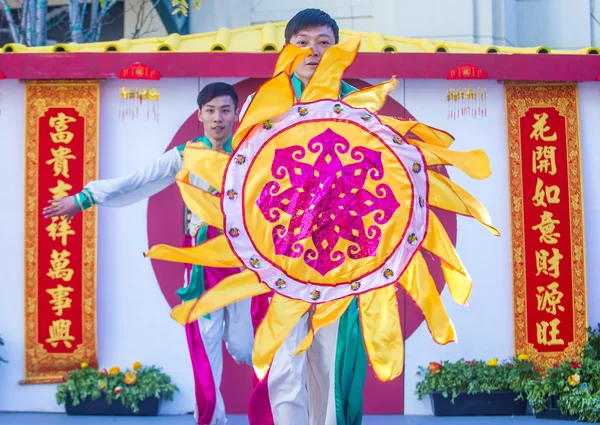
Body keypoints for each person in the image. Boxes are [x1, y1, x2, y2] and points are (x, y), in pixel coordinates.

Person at [43, 82, 254, 425]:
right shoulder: (185, 155)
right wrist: (84, 198)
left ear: (235, 114)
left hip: (243, 259)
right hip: (201, 260)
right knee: (205, 345)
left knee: (243, 346)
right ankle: (213, 420)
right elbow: (135, 180)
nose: (218, 118)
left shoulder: (250, 151)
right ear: (200, 115)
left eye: (225, 111)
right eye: (211, 111)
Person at [240, 9, 367, 425]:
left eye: (324, 42)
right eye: (304, 41)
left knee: (330, 361)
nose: (314, 51)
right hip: (282, 254)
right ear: (287, 50)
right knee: (286, 366)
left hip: (340, 253)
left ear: (339, 49)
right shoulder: (267, 106)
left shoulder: (358, 107)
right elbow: (241, 178)